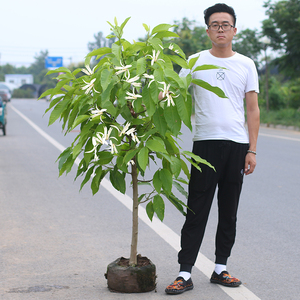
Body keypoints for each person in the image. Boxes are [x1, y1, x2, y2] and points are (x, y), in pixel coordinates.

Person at [165, 3, 260, 295]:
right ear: (208, 30)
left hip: (236, 145)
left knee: (228, 209)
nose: (220, 29)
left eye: (225, 24)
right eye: (215, 24)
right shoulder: (194, 61)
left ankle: (221, 268)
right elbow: (172, 93)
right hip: (204, 144)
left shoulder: (246, 64)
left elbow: (253, 110)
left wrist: (252, 150)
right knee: (197, 209)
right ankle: (184, 272)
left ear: (234, 30)